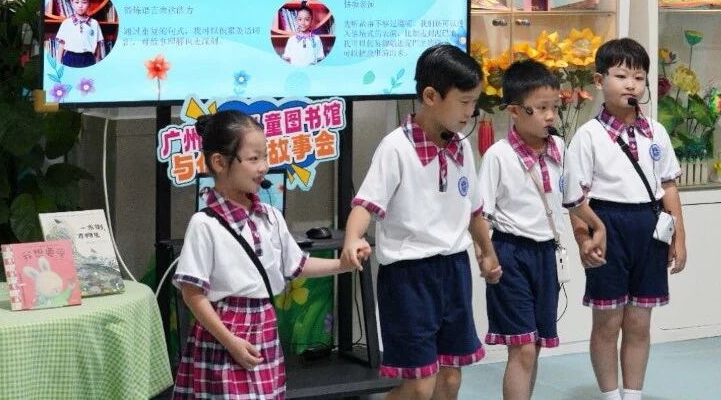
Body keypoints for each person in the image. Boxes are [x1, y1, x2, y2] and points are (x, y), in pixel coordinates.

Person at [341, 44, 502, 400]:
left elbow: (473, 210)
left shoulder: (461, 147)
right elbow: (365, 204)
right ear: (430, 96)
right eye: (464, 102)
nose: (471, 112)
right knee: (419, 385)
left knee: (450, 379)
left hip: (455, 271)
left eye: (474, 102)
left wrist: (487, 251)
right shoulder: (395, 148)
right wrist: (353, 238)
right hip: (409, 277)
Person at [172, 109, 361, 399]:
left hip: (265, 327)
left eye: (265, 157)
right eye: (253, 159)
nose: (263, 167)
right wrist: (230, 341)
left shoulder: (271, 216)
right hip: (225, 335)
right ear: (219, 162)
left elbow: (296, 265)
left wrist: (343, 264)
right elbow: (192, 294)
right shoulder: (204, 224)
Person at [563, 37, 685, 400]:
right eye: (620, 76)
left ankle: (633, 394)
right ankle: (609, 395)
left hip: (650, 228)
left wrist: (679, 238)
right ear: (599, 81)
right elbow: (576, 199)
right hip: (607, 227)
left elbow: (669, 187)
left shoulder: (656, 132)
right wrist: (583, 239)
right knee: (607, 322)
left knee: (639, 323)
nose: (631, 85)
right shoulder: (588, 136)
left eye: (639, 77)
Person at [477, 59, 568, 400]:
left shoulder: (560, 148)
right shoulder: (498, 156)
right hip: (510, 255)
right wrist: (485, 256)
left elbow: (572, 199)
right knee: (523, 347)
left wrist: (590, 230)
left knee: (537, 344)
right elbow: (481, 214)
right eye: (541, 108)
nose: (550, 116)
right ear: (514, 111)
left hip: (547, 254)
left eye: (554, 107)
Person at [54, 0, 104, 67]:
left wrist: (97, 61)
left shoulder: (94, 23)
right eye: (77, 2)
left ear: (89, 4)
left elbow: (97, 44)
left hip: (88, 58)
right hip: (70, 58)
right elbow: (61, 44)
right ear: (72, 4)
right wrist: (58, 63)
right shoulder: (66, 23)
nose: (80, 6)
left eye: (84, 2)